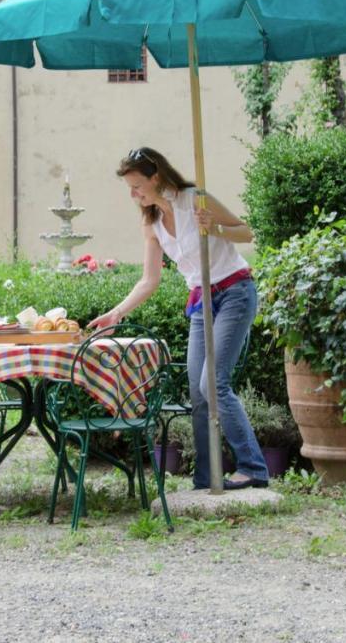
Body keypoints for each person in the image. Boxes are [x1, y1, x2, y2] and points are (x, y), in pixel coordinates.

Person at [88, 147, 269, 490]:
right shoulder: (152, 221)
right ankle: (206, 478)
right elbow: (149, 279)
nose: (133, 194)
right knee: (198, 394)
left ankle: (254, 468)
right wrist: (116, 313)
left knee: (213, 384)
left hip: (234, 292)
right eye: (129, 188)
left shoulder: (193, 200)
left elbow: (246, 232)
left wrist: (214, 227)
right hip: (202, 301)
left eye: (138, 186)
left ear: (156, 178)